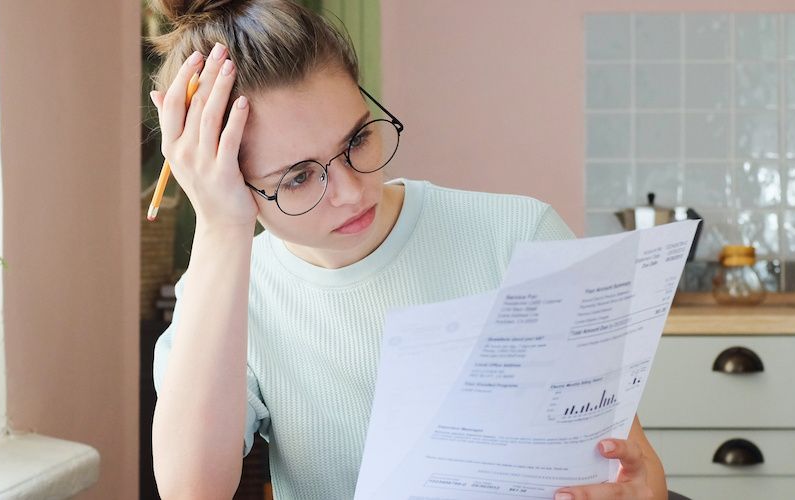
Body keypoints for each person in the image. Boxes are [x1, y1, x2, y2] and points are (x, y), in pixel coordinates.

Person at [147, 1, 668, 498]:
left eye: (356, 141)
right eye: (299, 177)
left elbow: (629, 464)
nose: (352, 192)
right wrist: (219, 227)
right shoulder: (224, 295)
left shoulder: (518, 236)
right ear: (227, 181)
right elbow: (193, 492)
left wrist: (638, 488)